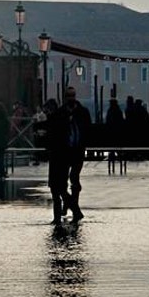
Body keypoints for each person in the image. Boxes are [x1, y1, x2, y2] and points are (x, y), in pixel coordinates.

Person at [57, 87, 89, 221]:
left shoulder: (82, 112)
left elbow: (87, 129)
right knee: (63, 181)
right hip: (65, 150)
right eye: (68, 95)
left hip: (77, 150)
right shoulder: (61, 113)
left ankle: (72, 206)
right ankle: (73, 206)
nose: (70, 98)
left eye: (72, 95)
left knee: (74, 178)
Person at [43, 99, 69, 224]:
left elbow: (52, 137)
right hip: (62, 156)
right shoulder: (61, 118)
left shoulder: (53, 120)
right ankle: (68, 209)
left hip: (56, 157)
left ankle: (58, 217)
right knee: (61, 188)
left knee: (56, 189)